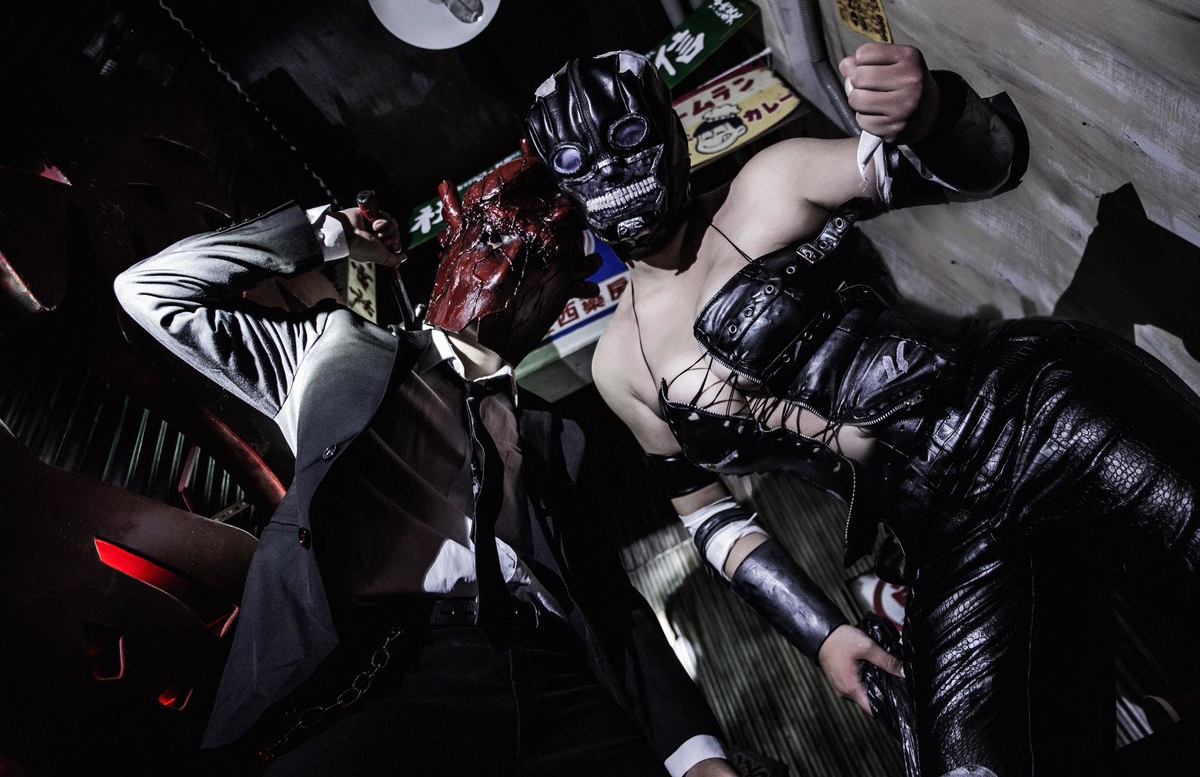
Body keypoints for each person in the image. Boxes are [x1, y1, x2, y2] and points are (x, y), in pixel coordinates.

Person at [524, 44, 1200, 776]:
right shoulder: (618, 365)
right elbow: (709, 517)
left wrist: (934, 113)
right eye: (576, 160)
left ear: (668, 129)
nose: (609, 172)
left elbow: (991, 166)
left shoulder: (770, 183)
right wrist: (820, 632)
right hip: (944, 536)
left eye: (626, 136)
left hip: (1036, 412)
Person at [113, 144, 740, 777]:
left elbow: (609, 600)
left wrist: (696, 753)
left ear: (563, 295)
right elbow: (148, 290)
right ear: (449, 247)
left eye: (544, 260)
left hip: (555, 678)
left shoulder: (555, 437)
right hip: (385, 676)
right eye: (494, 240)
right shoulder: (328, 350)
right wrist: (331, 234)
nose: (511, 267)